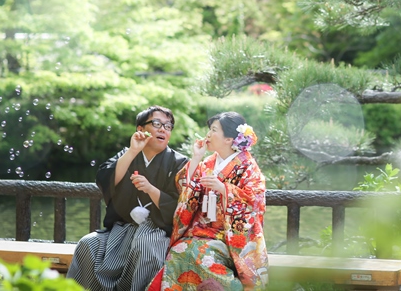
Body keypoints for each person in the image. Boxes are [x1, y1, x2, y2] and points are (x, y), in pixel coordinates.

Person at [67, 106, 188, 291]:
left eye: (168, 126)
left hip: (157, 231)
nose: (163, 129)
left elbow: (180, 206)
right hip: (123, 228)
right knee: (88, 244)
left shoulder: (179, 163)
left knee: (145, 247)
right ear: (141, 129)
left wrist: (151, 189)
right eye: (157, 124)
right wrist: (132, 151)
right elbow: (105, 179)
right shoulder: (127, 154)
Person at [148, 111, 268, 291]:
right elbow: (184, 187)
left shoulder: (248, 166)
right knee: (179, 250)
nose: (208, 134)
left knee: (197, 252)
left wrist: (224, 189)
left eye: (214, 130)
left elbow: (255, 200)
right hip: (202, 230)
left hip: (229, 235)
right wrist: (196, 157)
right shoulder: (208, 163)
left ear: (229, 139)